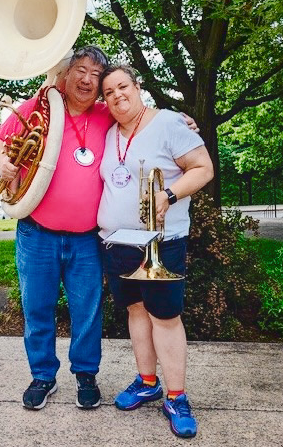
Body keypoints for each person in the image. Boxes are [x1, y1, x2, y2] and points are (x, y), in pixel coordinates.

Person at [0, 46, 199, 412]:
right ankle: (43, 376)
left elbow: (144, 119)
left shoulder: (107, 113)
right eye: (80, 70)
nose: (87, 79)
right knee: (37, 308)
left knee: (88, 311)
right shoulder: (39, 106)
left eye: (95, 75)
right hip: (37, 233)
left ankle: (86, 375)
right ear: (66, 75)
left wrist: (179, 119)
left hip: (88, 238)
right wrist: (4, 162)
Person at [97, 64, 213, 439]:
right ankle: (148, 382)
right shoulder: (109, 131)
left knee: (165, 317)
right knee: (135, 311)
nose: (116, 96)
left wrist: (169, 194)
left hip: (162, 241)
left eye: (122, 87)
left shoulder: (168, 124)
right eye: (108, 92)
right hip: (118, 241)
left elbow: (203, 168)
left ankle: (176, 396)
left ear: (137, 86)